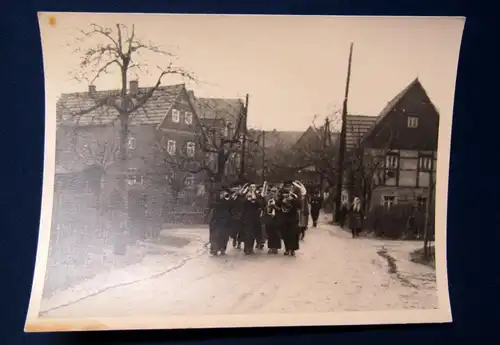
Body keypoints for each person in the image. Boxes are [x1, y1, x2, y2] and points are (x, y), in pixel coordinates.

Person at [241, 185, 264, 255]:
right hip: (247, 217)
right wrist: (246, 198)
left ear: (255, 188)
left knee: (253, 234)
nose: (252, 188)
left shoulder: (258, 195)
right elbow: (241, 204)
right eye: (251, 187)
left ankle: (250, 248)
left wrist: (255, 199)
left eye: (254, 187)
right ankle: (246, 248)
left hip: (255, 217)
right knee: (247, 233)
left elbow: (261, 205)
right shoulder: (245, 195)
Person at [279, 190, 301, 256]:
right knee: (286, 235)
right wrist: (284, 201)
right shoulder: (283, 199)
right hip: (285, 219)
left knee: (293, 235)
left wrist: (293, 200)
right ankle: (287, 249)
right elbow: (281, 206)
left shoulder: (295, 199)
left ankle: (293, 250)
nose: (286, 195)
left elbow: (299, 205)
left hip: (294, 220)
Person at [263, 187, 282, 254]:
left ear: (277, 192)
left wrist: (274, 206)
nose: (273, 193)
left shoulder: (280, 200)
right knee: (270, 233)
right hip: (269, 218)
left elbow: (281, 209)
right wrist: (268, 206)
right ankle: (271, 247)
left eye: (275, 191)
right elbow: (265, 208)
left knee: (276, 233)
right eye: (272, 191)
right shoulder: (268, 199)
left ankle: (276, 247)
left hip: (277, 218)